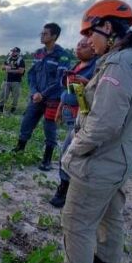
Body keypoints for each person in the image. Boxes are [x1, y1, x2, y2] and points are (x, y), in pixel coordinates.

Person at [27, 0, 132, 263]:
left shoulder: (118, 65)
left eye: (92, 32)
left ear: (109, 30)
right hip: (121, 158)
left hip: (101, 161)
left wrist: (73, 153)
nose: (88, 40)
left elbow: (103, 124)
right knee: (110, 218)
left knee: (77, 223)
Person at [12, 23, 71, 172]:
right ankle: (19, 149)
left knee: (49, 128)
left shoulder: (62, 55)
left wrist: (43, 94)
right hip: (36, 97)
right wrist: (34, 92)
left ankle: (47, 159)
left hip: (52, 99)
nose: (42, 36)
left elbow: (60, 80)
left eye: (45, 34)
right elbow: (31, 74)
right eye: (42, 33)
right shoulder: (38, 53)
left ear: (54, 36)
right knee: (27, 122)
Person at [49, 37, 97, 208]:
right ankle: (70, 186)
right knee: (73, 151)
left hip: (82, 114)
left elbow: (97, 92)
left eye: (84, 46)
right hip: (70, 111)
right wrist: (60, 107)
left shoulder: (97, 67)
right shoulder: (76, 66)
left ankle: (65, 188)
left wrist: (87, 83)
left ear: (93, 49)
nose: (79, 48)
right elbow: (68, 90)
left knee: (68, 151)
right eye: (77, 45)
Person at [0, 47, 25, 114]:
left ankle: (13, 108)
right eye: (12, 51)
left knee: (15, 96)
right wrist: (5, 67)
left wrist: (10, 70)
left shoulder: (21, 60)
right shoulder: (8, 59)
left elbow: (21, 71)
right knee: (3, 94)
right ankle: (1, 107)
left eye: (14, 51)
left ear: (18, 52)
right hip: (6, 80)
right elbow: (2, 67)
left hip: (16, 81)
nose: (13, 52)